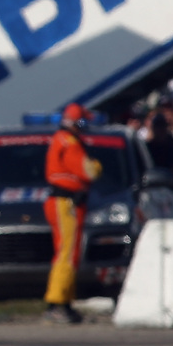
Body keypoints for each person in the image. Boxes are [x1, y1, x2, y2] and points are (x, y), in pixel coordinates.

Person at [42, 103, 102, 324]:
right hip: (65, 203)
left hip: (64, 202)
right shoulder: (70, 142)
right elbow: (89, 171)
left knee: (68, 252)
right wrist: (97, 165)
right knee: (67, 253)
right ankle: (57, 303)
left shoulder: (62, 139)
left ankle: (64, 302)